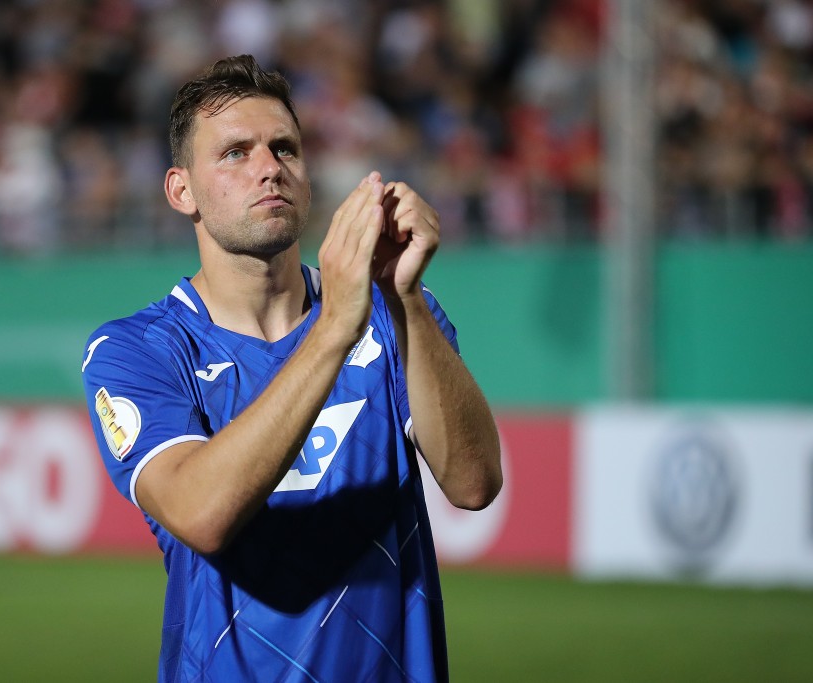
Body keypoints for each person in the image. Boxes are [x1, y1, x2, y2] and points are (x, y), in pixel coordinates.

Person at [81, 54, 502, 682]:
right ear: (181, 190)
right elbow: (201, 513)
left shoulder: (393, 313)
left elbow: (475, 484)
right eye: (234, 153)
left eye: (285, 148)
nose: (268, 168)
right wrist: (336, 326)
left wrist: (404, 296)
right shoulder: (138, 351)